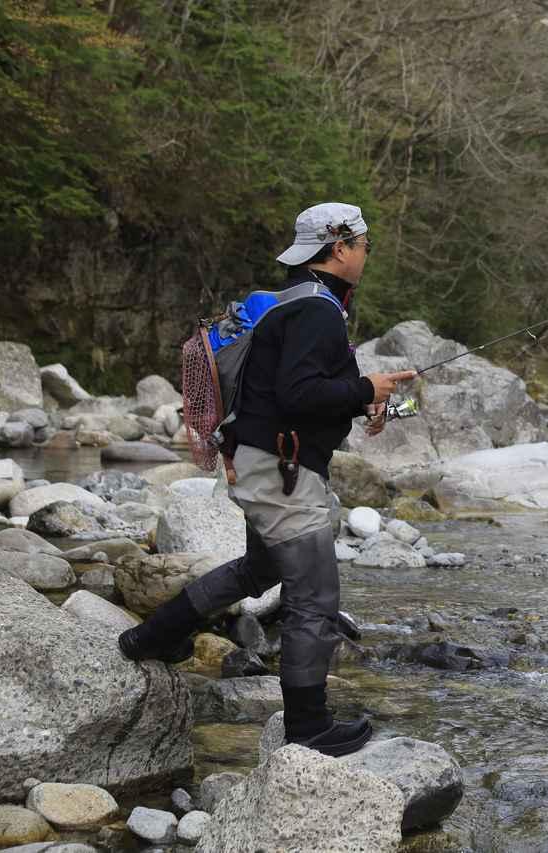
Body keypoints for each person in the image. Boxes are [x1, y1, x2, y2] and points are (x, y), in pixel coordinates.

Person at [118, 202, 416, 757]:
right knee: (315, 598)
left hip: (261, 464)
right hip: (283, 474)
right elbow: (297, 394)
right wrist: (362, 389)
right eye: (365, 246)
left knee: (263, 568)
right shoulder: (317, 312)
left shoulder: (292, 304)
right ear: (340, 248)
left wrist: (370, 399)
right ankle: (308, 728)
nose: (366, 255)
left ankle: (151, 636)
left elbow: (290, 396)